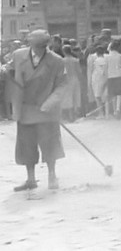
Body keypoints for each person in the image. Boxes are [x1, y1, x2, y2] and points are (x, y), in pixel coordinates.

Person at [7, 30, 69, 191]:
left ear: (46, 45)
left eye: (41, 46)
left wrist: (50, 102)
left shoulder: (57, 61)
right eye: (34, 46)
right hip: (25, 109)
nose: (37, 49)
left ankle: (52, 175)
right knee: (26, 145)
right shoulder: (19, 55)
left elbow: (62, 85)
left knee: (50, 145)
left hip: (46, 111)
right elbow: (10, 70)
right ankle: (31, 179)